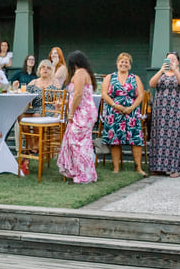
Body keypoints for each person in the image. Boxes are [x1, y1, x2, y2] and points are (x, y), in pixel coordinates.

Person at [100, 52, 146, 175]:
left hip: (131, 113)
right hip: (114, 112)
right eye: (121, 61)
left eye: (126, 62)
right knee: (115, 140)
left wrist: (131, 108)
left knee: (136, 140)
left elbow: (141, 95)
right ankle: (116, 168)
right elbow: (104, 94)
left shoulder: (135, 78)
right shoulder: (110, 77)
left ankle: (138, 167)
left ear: (130, 65)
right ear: (117, 63)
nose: (123, 64)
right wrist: (115, 105)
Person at [148, 51, 180, 177]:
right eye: (168, 59)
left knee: (174, 138)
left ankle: (174, 168)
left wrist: (175, 70)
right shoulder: (161, 74)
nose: (171, 61)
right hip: (160, 110)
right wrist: (161, 70)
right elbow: (152, 84)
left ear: (178, 62)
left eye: (173, 59)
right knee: (159, 138)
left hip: (176, 111)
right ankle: (158, 167)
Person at [57, 50, 97, 184]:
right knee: (81, 143)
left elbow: (79, 94)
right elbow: (79, 95)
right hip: (85, 111)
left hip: (82, 113)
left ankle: (83, 175)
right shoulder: (85, 73)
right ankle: (82, 173)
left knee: (78, 143)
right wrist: (66, 103)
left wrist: (71, 112)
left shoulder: (80, 73)